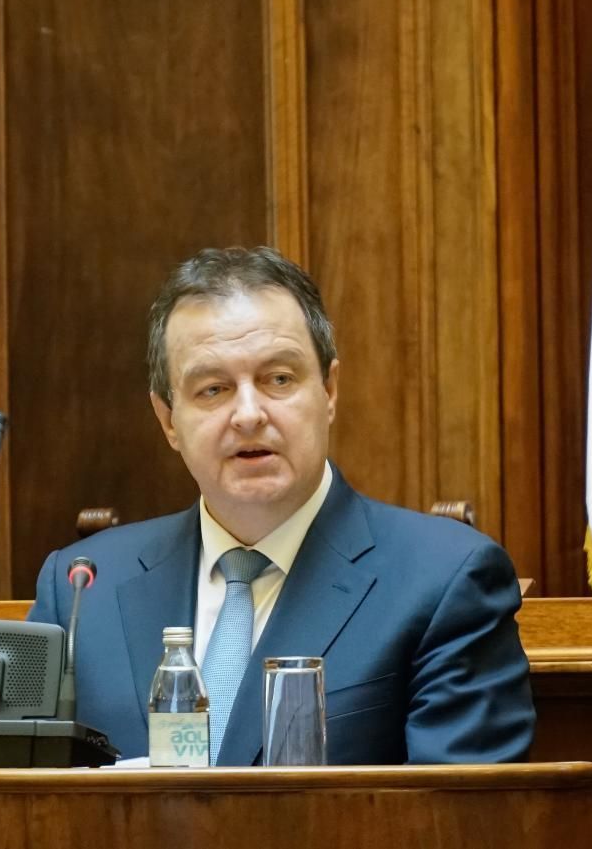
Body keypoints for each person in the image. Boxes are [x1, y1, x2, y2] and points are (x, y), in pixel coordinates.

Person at [28, 246, 535, 765]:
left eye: (279, 380)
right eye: (213, 389)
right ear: (168, 420)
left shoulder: (445, 580)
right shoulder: (80, 590)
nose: (249, 414)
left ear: (329, 391)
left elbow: (459, 807)